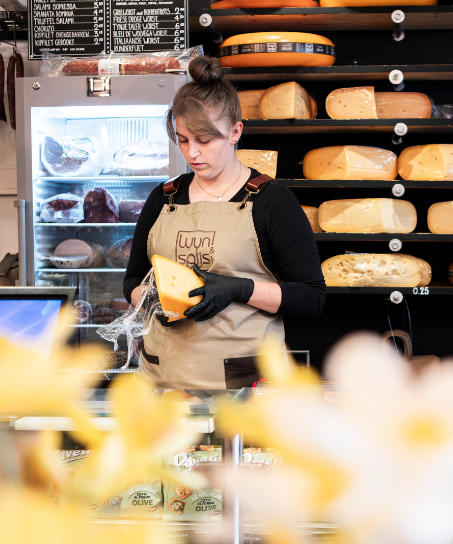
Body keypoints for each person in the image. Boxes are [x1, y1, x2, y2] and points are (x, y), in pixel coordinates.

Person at [123, 55, 325, 389]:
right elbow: (132, 279)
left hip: (242, 376)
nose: (192, 154)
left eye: (205, 140)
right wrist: (150, 298)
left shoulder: (271, 201)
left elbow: (311, 298)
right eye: (183, 139)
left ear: (235, 131)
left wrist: (239, 288)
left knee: (231, 439)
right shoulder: (163, 198)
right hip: (162, 377)